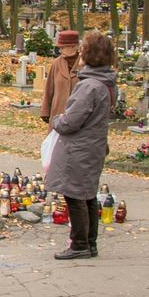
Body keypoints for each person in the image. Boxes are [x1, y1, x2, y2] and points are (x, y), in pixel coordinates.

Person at [46, 30, 116, 260]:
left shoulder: (90, 86)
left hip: (79, 148)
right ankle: (89, 242)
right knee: (86, 194)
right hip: (92, 145)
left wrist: (57, 120)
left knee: (75, 194)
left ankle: (79, 244)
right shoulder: (104, 82)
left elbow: (71, 121)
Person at [41, 30, 81, 123]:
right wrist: (45, 111)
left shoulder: (85, 63)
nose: (59, 50)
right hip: (57, 114)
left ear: (73, 46)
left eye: (62, 47)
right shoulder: (56, 63)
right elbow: (49, 89)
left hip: (78, 117)